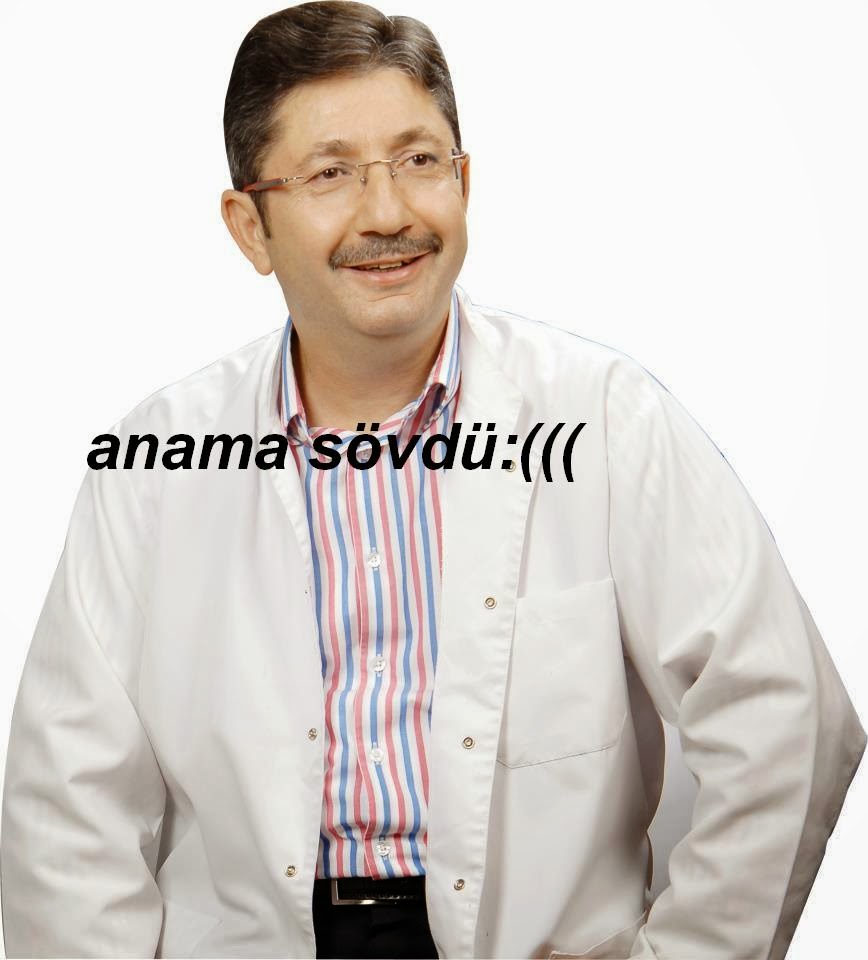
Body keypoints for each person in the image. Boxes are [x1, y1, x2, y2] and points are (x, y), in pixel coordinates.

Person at [1, 1, 864, 957]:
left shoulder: (606, 420)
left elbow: (787, 718)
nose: (388, 214)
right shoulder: (155, 465)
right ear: (250, 227)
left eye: (419, 160)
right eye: (331, 173)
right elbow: (66, 814)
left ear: (465, 183)